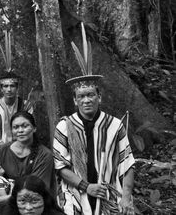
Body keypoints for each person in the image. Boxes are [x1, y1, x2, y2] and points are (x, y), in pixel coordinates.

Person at [53, 74, 135, 214]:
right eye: (81, 96)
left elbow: (127, 163)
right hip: (75, 195)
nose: (86, 100)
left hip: (108, 195)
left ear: (99, 97)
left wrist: (126, 198)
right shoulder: (64, 127)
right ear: (75, 100)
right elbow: (60, 167)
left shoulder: (115, 125)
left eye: (90, 95)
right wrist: (87, 187)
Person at [0, 111, 55, 213]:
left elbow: (37, 188)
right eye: (16, 127)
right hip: (6, 204)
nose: (20, 130)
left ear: (34, 128)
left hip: (33, 206)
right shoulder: (4, 150)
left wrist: (8, 198)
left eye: (25, 126)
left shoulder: (44, 154)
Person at [0, 41, 34, 160]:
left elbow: (30, 128)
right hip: (0, 150)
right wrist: (6, 148)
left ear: (17, 88)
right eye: (5, 86)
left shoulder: (26, 105)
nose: (9, 89)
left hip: (23, 149)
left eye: (12, 86)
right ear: (1, 88)